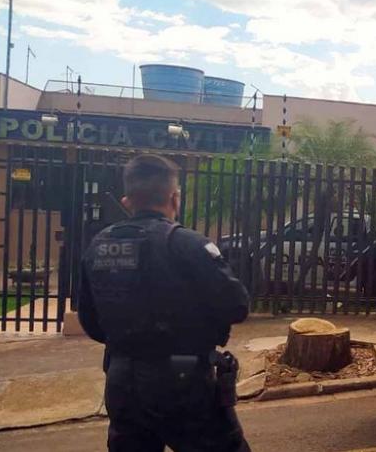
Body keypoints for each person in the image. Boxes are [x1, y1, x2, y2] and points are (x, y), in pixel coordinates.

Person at [78, 154, 251, 451]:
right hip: (183, 383)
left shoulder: (98, 246)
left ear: (127, 200)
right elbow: (237, 306)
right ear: (174, 198)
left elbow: (90, 321)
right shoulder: (189, 244)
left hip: (122, 380)